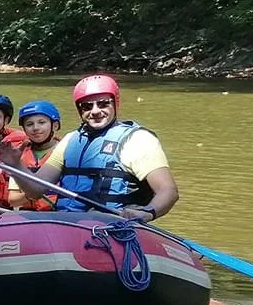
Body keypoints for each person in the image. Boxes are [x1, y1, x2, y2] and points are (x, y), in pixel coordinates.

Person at [22, 75, 178, 221]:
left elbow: (168, 191)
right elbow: (35, 190)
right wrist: (15, 164)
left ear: (115, 104)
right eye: (87, 106)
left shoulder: (137, 139)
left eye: (103, 104)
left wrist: (148, 212)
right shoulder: (70, 140)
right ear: (80, 110)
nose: (95, 111)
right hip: (67, 223)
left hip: (112, 227)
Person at [12, 101, 62, 210]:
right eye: (29, 124)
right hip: (29, 215)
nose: (35, 128)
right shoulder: (20, 156)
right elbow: (13, 200)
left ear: (55, 125)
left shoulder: (65, 152)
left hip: (58, 214)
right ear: (24, 129)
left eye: (41, 122)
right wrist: (33, 192)